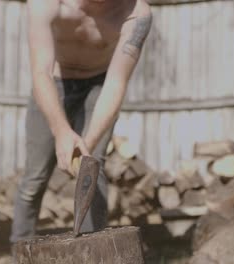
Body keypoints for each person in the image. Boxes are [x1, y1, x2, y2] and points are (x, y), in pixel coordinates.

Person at [11, 0, 152, 243]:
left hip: (99, 84)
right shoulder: (46, 3)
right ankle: (20, 251)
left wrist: (87, 144)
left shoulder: (136, 14)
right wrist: (61, 131)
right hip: (53, 82)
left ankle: (92, 252)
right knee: (34, 179)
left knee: (92, 166)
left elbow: (116, 83)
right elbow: (40, 72)